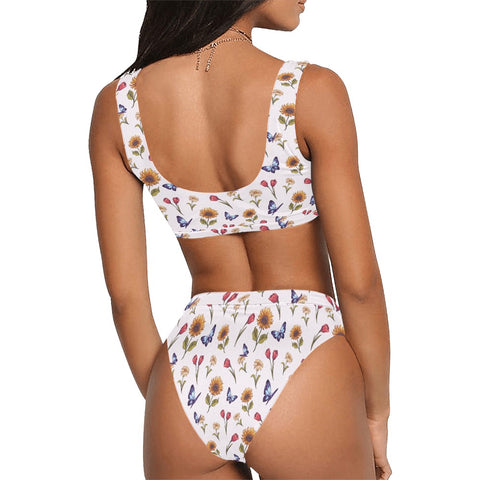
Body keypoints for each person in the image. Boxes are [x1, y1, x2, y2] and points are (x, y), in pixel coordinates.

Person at [88, 1, 392, 478]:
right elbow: (360, 286)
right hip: (304, 353)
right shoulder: (310, 90)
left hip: (191, 363)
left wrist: (173, 405)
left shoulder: (118, 106)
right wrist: (375, 414)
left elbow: (125, 299)